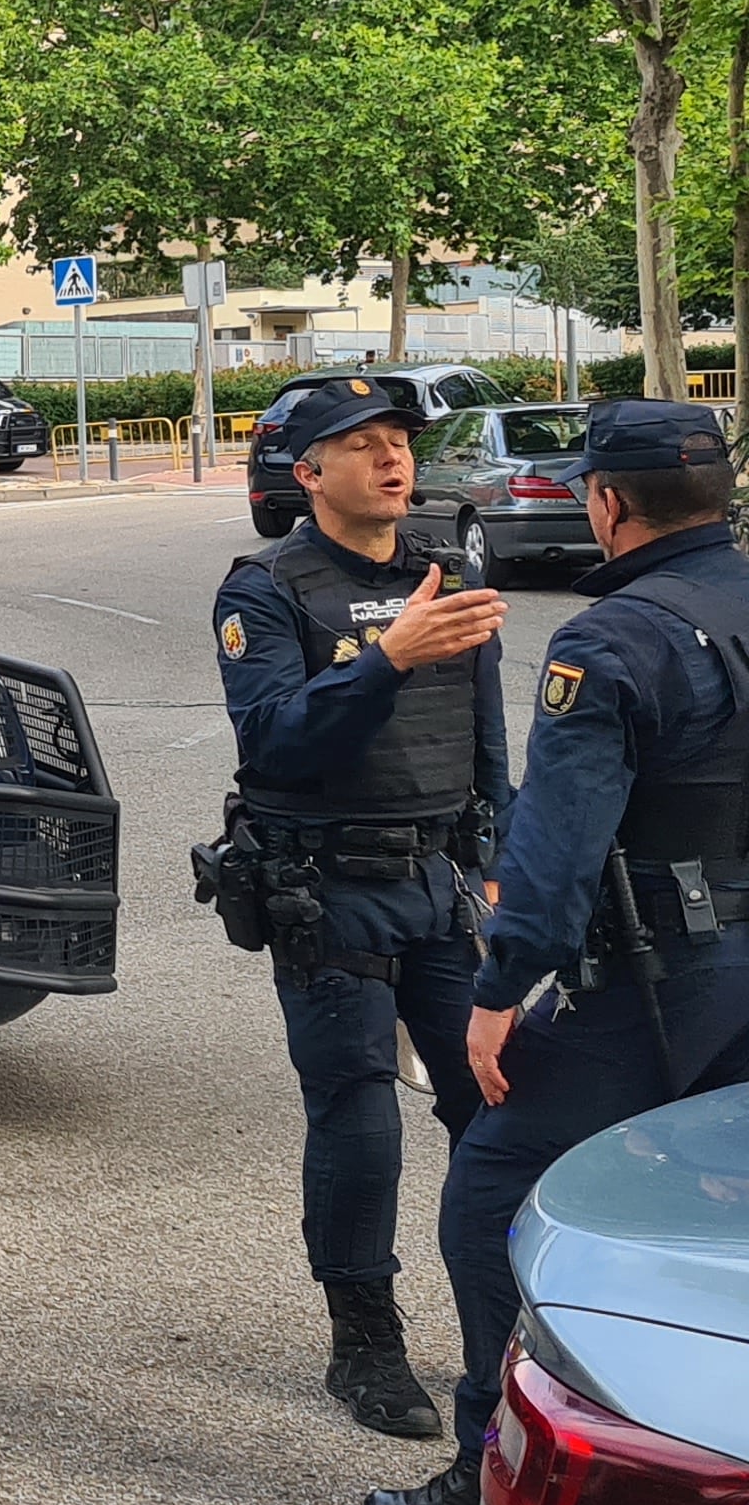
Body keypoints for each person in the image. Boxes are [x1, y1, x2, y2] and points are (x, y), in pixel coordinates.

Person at [367, 399, 749, 1505]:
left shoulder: (613, 642)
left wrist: (495, 995)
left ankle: (494, 1467)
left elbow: (559, 849)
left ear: (607, 502)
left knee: (491, 1197)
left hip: (648, 985)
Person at [202, 380, 503, 1448]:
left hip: (441, 877)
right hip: (326, 884)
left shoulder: (446, 562)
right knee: (360, 1118)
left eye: (400, 444)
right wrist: (383, 662)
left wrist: (498, 850)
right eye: (363, 445)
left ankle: (504, 1328)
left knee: (496, 1108)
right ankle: (363, 1338)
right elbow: (275, 741)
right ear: (307, 473)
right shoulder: (266, 588)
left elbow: (482, 719)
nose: (391, 461)